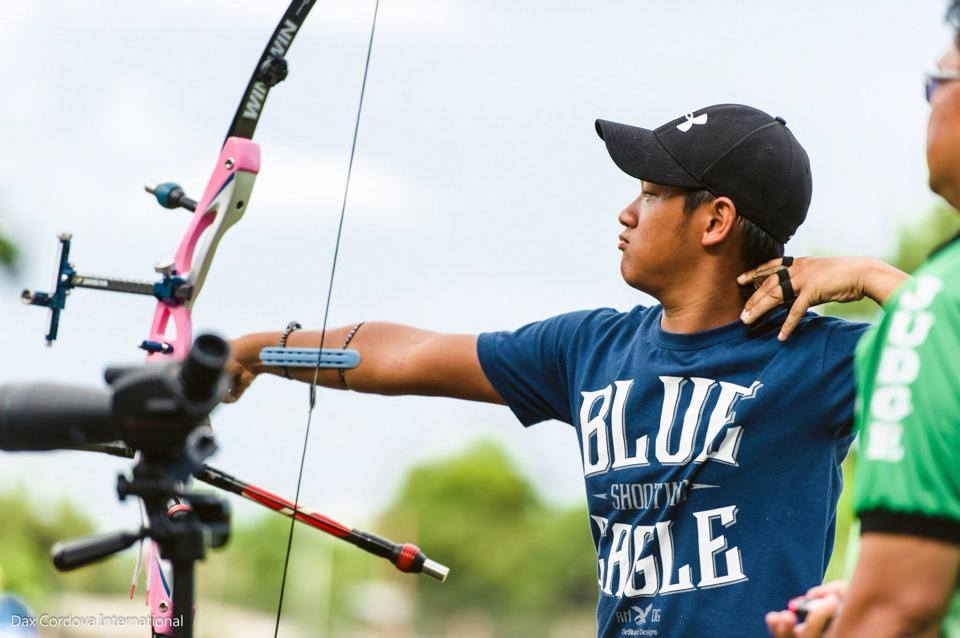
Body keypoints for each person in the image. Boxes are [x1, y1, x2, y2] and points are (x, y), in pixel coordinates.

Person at [227, 104, 906, 637]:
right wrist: (251, 350)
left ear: (715, 220)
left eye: (651, 193)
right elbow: (405, 355)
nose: (627, 212)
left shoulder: (819, 356)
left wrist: (875, 276)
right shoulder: (590, 349)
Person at [765, 4, 960, 638]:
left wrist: (867, 613)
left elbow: (897, 609)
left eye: (937, 81)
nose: (928, 103)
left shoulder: (934, 311)